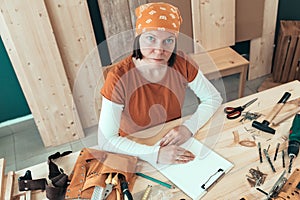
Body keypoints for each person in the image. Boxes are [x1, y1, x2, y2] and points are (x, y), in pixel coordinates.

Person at [98, 2, 222, 165]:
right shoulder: (118, 77)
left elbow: (213, 98)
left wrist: (188, 128)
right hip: (133, 148)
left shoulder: (182, 63)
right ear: (138, 37)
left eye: (168, 41)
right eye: (151, 38)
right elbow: (106, 141)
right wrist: (154, 154)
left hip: (173, 140)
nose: (159, 50)